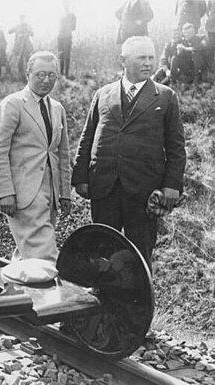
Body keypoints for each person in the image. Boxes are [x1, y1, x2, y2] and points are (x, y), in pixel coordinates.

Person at [71, 36, 186, 268]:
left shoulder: (165, 97)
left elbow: (176, 146)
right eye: (141, 57)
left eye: (151, 57)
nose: (148, 63)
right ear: (123, 60)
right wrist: (80, 177)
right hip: (104, 187)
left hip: (143, 190)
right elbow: (88, 138)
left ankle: (138, 303)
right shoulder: (103, 94)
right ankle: (102, 300)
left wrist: (171, 185)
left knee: (140, 254)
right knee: (101, 251)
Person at [0, 51, 71, 263]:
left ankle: (18, 292)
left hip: (50, 194)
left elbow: (63, 154)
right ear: (28, 74)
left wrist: (65, 193)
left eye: (52, 75)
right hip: (23, 193)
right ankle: (59, 295)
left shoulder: (57, 109)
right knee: (43, 255)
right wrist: (4, 192)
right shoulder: (13, 104)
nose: (46, 80)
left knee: (29, 253)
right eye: (40, 74)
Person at [9, 15, 34, 81]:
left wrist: (24, 34)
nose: (22, 20)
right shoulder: (17, 26)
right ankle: (21, 76)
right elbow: (9, 31)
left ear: (24, 19)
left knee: (28, 60)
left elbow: (32, 33)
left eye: (23, 18)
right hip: (19, 46)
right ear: (19, 19)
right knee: (19, 61)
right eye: (21, 19)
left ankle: (29, 75)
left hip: (26, 46)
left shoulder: (27, 26)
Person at [57, 0, 77, 78]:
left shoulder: (72, 15)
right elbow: (59, 27)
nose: (65, 6)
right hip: (60, 37)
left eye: (66, 4)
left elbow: (74, 27)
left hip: (67, 37)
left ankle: (66, 74)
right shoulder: (61, 16)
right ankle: (62, 74)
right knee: (61, 55)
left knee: (67, 56)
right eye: (64, 4)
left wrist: (67, 26)